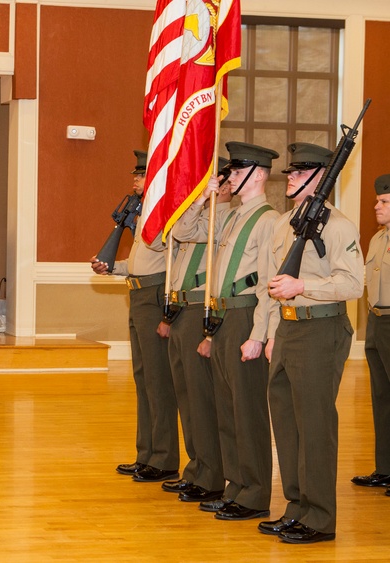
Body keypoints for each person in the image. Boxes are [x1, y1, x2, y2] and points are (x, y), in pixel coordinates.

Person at [263, 142, 363, 543]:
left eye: (300, 173)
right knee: (288, 426)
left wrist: (305, 286)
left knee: (315, 426)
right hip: (287, 330)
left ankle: (319, 518)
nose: (290, 178)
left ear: (322, 177)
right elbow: (272, 285)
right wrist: (272, 332)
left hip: (321, 330)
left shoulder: (339, 226)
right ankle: (296, 508)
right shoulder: (284, 223)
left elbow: (354, 283)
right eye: (290, 172)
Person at [173, 142, 279, 521]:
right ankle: (235, 486)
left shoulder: (270, 221)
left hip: (245, 316)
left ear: (259, 175)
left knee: (247, 411)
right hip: (220, 318)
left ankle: (254, 494)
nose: (228, 178)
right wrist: (204, 198)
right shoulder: (229, 216)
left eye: (235, 172)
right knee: (227, 411)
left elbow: (268, 282)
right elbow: (184, 230)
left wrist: (260, 334)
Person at [90, 150, 178, 483]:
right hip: (138, 291)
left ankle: (165, 457)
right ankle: (147, 453)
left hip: (155, 295)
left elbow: (172, 261)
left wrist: (169, 312)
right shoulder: (143, 215)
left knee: (158, 380)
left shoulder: (164, 214)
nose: (134, 181)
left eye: (140, 176)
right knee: (143, 378)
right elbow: (139, 263)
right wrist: (111, 267)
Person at [160, 158, 233, 504]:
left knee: (203, 400)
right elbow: (180, 229)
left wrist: (208, 201)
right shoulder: (205, 215)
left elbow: (187, 232)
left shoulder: (227, 220)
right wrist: (201, 199)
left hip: (199, 310)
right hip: (181, 308)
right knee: (188, 398)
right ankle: (198, 466)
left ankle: (211, 472)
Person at [357, 173, 390, 496]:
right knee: (381, 399)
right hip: (377, 321)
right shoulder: (379, 238)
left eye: (384, 202)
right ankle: (385, 468)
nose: (376, 207)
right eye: (377, 201)